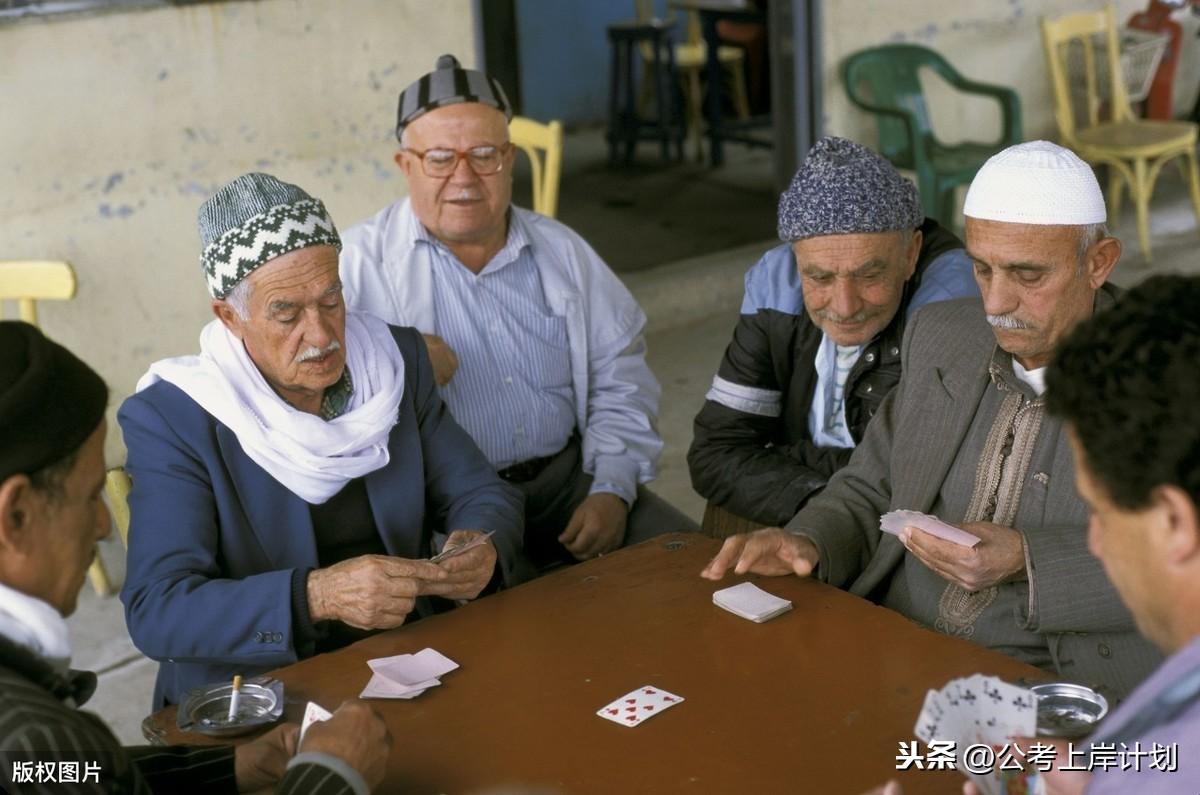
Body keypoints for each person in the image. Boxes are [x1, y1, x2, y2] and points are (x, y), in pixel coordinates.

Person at [701, 141, 1161, 701]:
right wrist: (809, 540)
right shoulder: (944, 334)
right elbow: (870, 486)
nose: (995, 302)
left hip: (1055, 689)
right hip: (895, 648)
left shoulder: (1170, 377)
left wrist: (1028, 561)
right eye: (982, 268)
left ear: (1098, 262)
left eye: (1028, 275)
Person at [120, 173, 524, 708]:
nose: (322, 335)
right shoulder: (176, 417)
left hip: (405, 657)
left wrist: (478, 543)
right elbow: (159, 609)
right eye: (286, 313)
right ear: (230, 317)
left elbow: (480, 490)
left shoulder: (392, 363)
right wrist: (318, 597)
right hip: (260, 687)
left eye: (331, 299)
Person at [0, 321, 390, 795]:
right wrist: (332, 776)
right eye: (89, 497)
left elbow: (72, 774)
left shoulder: (36, 754)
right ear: (15, 516)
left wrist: (222, 770)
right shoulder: (33, 739)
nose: (104, 526)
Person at [339, 54, 695, 567]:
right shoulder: (353, 267)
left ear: (509, 158)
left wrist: (613, 488)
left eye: (484, 154)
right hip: (445, 507)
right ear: (405, 165)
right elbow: (313, 396)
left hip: (571, 483)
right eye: (439, 157)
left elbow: (620, 374)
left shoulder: (562, 251)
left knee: (690, 573)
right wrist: (403, 358)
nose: (463, 177)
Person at [688, 136, 977, 528]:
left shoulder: (949, 304)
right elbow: (716, 452)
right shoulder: (775, 285)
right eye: (819, 277)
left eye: (870, 274)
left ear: (911, 254)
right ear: (797, 262)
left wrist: (787, 455)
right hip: (819, 512)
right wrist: (825, 505)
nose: (844, 307)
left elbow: (922, 484)